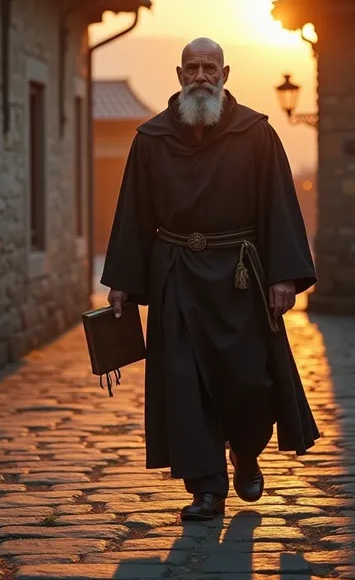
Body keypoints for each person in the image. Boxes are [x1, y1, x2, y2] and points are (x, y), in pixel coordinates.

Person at [101, 37, 319, 521]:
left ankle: (246, 451)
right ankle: (206, 488)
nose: (201, 76)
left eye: (210, 68)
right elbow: (134, 214)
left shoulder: (257, 134)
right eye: (192, 68)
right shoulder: (151, 139)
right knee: (184, 381)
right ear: (179, 76)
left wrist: (283, 276)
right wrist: (122, 281)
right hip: (175, 274)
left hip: (240, 275)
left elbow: (279, 205)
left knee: (250, 380)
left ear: (225, 74)